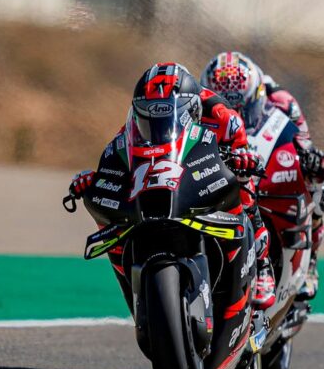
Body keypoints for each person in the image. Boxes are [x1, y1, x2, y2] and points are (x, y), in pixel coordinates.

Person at [67, 62, 277, 314]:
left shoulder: (224, 117)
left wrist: (243, 161)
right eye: (149, 114)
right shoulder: (133, 122)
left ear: (194, 106)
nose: (158, 122)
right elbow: (121, 153)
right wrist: (97, 179)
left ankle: (263, 267)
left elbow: (243, 153)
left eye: (167, 113)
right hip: (166, 174)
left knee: (245, 187)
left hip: (206, 169)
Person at [201, 52, 324, 300]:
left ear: (257, 96)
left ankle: (311, 260)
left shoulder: (284, 102)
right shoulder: (199, 101)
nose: (236, 117)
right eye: (228, 110)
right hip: (220, 160)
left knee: (317, 179)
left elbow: (305, 147)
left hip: (261, 157)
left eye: (242, 109)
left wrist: (313, 162)